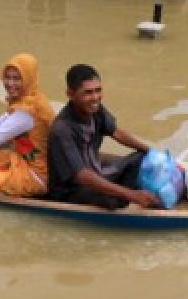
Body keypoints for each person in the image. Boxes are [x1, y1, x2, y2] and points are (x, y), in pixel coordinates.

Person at [47, 63, 160, 209]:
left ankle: (132, 194)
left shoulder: (95, 109)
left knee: (141, 158)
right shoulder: (62, 129)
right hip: (72, 190)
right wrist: (132, 195)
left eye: (98, 90)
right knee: (112, 202)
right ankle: (129, 196)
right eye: (87, 92)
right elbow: (82, 176)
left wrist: (152, 151)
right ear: (70, 94)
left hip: (97, 171)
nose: (95, 97)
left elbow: (116, 132)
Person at [0, 53, 54, 197]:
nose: (10, 83)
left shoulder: (27, 112)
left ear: (28, 79)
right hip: (21, 160)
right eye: (7, 77)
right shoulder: (31, 97)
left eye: (17, 78)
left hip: (36, 175)